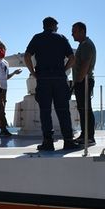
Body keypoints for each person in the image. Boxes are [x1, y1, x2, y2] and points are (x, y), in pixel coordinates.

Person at [24, 17, 76, 151]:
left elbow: (27, 56)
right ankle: (68, 141)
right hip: (59, 78)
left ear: (44, 26)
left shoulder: (37, 38)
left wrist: (33, 72)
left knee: (45, 112)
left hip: (43, 79)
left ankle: (48, 142)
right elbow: (72, 58)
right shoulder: (62, 38)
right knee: (63, 111)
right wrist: (63, 70)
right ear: (54, 26)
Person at [72, 21, 97, 145]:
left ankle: (89, 136)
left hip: (84, 81)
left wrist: (78, 81)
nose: (72, 34)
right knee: (83, 109)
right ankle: (85, 134)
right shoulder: (83, 45)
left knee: (86, 109)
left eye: (74, 31)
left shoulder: (86, 45)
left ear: (82, 31)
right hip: (82, 81)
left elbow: (85, 65)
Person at [0, 43, 21, 136]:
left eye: (3, 49)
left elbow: (6, 77)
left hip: (5, 88)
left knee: (1, 109)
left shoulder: (6, 62)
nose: (2, 50)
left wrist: (14, 73)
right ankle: (3, 128)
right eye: (0, 48)